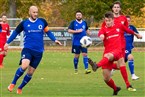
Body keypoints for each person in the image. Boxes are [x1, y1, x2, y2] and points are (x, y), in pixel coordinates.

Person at [4, 6, 62, 94]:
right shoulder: (24, 23)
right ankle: (13, 83)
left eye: (36, 12)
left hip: (39, 52)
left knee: (30, 73)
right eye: (34, 12)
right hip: (28, 49)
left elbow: (48, 32)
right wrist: (7, 43)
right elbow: (15, 33)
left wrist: (55, 39)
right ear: (29, 12)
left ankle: (20, 87)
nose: (35, 14)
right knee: (24, 65)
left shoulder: (42, 22)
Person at [88, 11, 142, 95]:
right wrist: (101, 36)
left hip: (117, 50)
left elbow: (128, 30)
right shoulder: (103, 29)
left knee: (109, 56)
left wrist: (136, 34)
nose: (108, 22)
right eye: (106, 21)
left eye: (109, 20)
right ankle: (115, 88)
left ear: (113, 20)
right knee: (106, 78)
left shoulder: (119, 26)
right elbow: (101, 34)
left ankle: (97, 65)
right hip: (108, 51)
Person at [124, 15, 139, 80]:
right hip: (123, 47)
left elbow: (137, 34)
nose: (128, 22)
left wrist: (139, 36)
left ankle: (111, 68)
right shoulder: (121, 28)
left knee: (121, 64)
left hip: (129, 48)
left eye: (129, 21)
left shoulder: (132, 27)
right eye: (126, 21)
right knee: (130, 57)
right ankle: (133, 75)